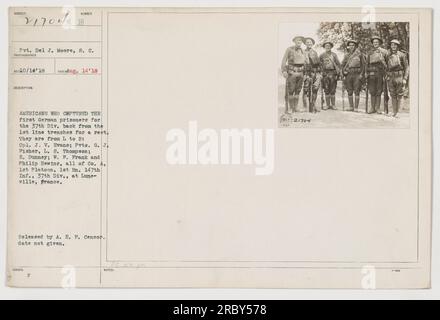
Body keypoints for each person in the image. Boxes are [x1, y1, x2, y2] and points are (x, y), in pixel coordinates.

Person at [281, 36, 309, 113]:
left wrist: (306, 73)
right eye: (297, 40)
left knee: (298, 91)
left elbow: (306, 63)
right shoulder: (289, 49)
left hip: (301, 73)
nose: (299, 42)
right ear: (294, 41)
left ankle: (295, 107)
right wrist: (284, 71)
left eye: (300, 41)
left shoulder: (303, 51)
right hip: (292, 72)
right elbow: (284, 60)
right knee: (291, 90)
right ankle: (290, 108)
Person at [386, 39, 409, 117]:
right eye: (392, 45)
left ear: (398, 46)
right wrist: (386, 75)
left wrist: (405, 78)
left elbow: (406, 67)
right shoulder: (388, 55)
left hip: (399, 76)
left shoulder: (402, 55)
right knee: (392, 94)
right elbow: (385, 66)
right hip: (390, 76)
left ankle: (398, 112)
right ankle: (394, 112)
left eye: (395, 45)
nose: (393, 46)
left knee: (399, 94)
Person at [366, 35, 388, 114]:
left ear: (380, 43)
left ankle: (377, 108)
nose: (375, 43)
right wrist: (366, 73)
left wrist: (386, 74)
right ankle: (372, 108)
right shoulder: (370, 52)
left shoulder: (384, 52)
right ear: (372, 43)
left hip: (380, 73)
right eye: (374, 42)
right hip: (371, 73)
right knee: (372, 90)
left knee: (379, 90)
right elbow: (367, 64)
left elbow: (387, 64)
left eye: (377, 42)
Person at [341, 39, 365, 112]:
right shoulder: (346, 55)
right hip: (348, 74)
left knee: (357, 90)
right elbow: (342, 65)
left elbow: (363, 65)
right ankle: (351, 107)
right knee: (349, 90)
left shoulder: (360, 54)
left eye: (353, 45)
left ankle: (356, 108)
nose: (351, 46)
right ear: (348, 46)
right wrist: (343, 72)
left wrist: (361, 74)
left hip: (357, 74)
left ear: (355, 46)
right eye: (350, 45)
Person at [302, 37, 322, 113]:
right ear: (305, 43)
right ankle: (305, 107)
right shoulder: (303, 52)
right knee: (306, 89)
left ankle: (313, 105)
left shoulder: (315, 52)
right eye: (307, 42)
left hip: (315, 72)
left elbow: (318, 64)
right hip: (307, 73)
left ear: (312, 43)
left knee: (315, 89)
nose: (309, 43)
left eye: (310, 42)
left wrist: (319, 73)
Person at [319, 41, 341, 110]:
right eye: (326, 46)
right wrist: (320, 73)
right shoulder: (322, 55)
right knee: (326, 89)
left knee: (333, 89)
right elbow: (319, 65)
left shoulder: (334, 55)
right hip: (325, 74)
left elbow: (338, 64)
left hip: (333, 73)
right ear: (324, 47)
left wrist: (338, 74)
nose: (327, 47)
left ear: (331, 47)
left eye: (329, 46)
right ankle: (328, 105)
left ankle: (333, 105)